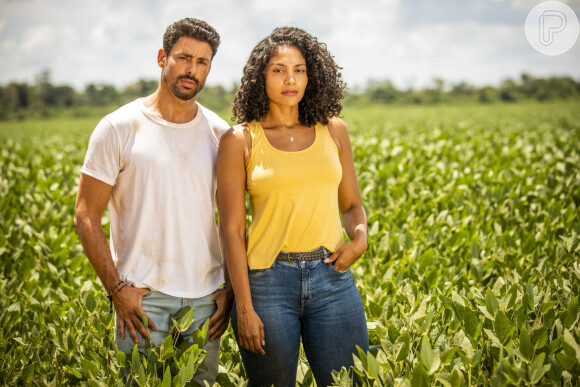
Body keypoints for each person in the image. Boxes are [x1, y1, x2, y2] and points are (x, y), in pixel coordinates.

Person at [74, 17, 233, 385]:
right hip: (143, 304)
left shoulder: (219, 134)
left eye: (203, 62)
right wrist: (117, 291)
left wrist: (229, 292)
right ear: (162, 58)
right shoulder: (119, 127)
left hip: (206, 306)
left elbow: (230, 222)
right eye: (183, 57)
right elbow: (85, 214)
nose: (192, 69)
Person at [217, 27, 369, 387]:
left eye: (299, 69)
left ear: (311, 75)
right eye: (278, 69)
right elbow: (232, 231)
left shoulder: (333, 130)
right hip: (266, 284)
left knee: (351, 383)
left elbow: (351, 204)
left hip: (332, 278)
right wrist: (245, 307)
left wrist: (360, 237)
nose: (291, 79)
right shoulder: (239, 140)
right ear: (260, 77)